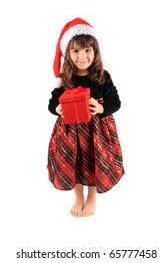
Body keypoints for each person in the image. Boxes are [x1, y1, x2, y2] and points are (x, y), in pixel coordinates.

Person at [47, 18, 125, 217]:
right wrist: (58, 109)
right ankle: (78, 196)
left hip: (96, 131)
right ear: (68, 54)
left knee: (93, 160)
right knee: (75, 161)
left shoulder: (102, 76)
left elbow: (115, 102)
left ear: (95, 51)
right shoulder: (65, 79)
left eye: (87, 50)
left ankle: (92, 196)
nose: (82, 56)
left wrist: (100, 107)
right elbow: (51, 104)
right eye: (76, 51)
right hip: (69, 131)